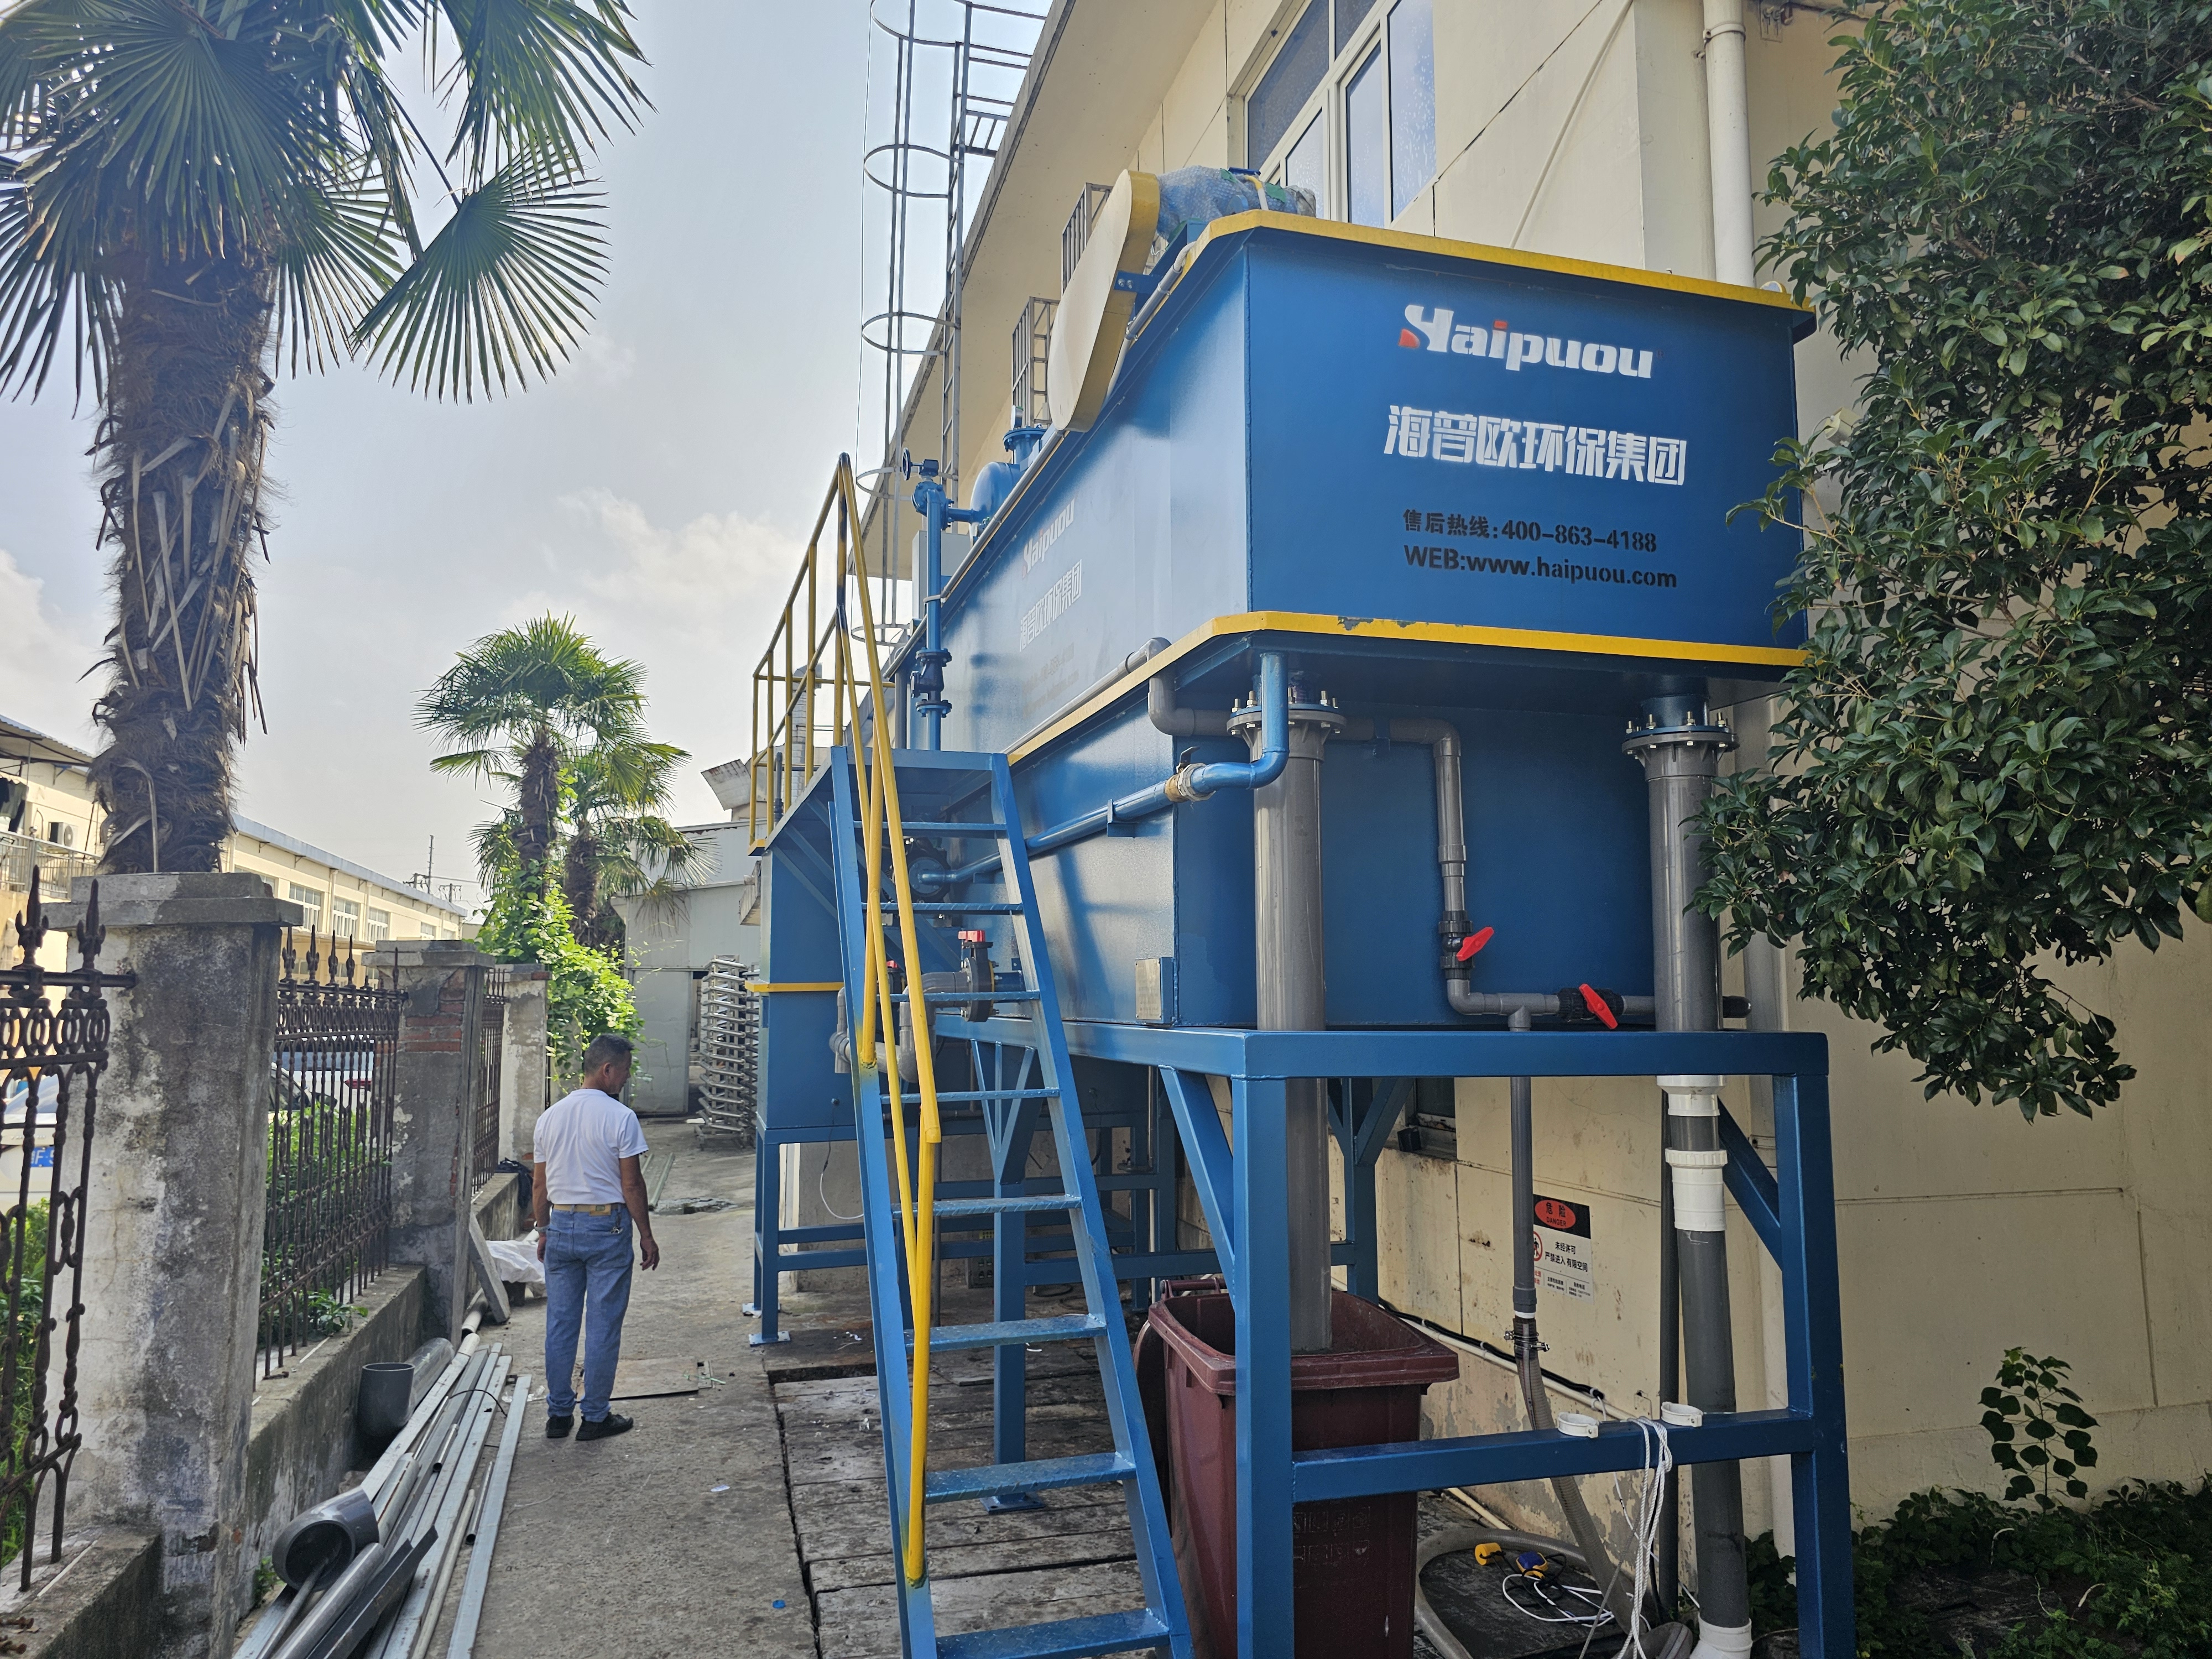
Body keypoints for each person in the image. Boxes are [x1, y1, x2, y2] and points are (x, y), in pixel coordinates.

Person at [533, 1032, 660, 1441]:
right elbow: (632, 1184)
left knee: (560, 1323)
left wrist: (543, 1230)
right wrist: (646, 1235)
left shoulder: (550, 1117)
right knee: (603, 1324)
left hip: (560, 1224)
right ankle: (594, 1417)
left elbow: (540, 1186)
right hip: (606, 1228)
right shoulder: (620, 1117)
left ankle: (558, 1416)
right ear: (607, 1070)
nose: (626, 1078)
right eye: (624, 1071)